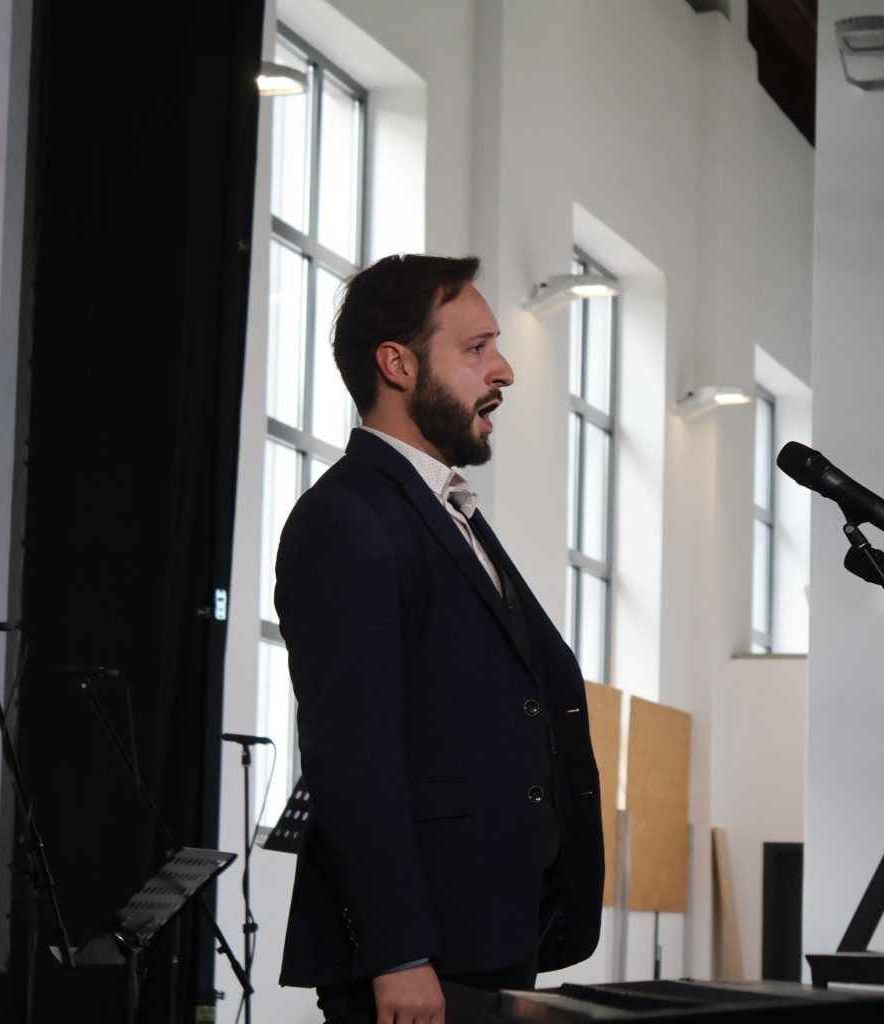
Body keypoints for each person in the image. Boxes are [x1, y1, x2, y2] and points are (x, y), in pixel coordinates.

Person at [274, 253, 605, 1023]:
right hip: (418, 962)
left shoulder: (448, 512)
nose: (505, 371)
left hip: (488, 935)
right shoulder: (348, 517)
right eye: (476, 348)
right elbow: (350, 754)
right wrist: (396, 954)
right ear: (397, 364)